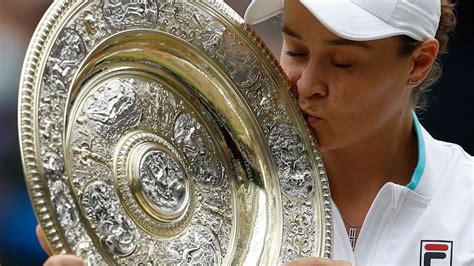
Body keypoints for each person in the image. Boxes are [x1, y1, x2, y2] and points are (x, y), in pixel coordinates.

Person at [37, 0, 473, 265]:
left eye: (343, 64)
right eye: (296, 50)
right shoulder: (209, 197)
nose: (306, 84)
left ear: (418, 63)